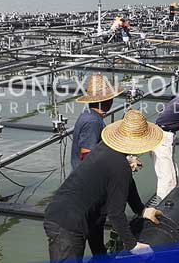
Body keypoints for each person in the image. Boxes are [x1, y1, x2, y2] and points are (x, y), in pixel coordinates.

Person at [44, 110, 164, 262]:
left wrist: (141, 210)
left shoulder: (106, 149)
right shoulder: (119, 165)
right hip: (65, 223)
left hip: (84, 216)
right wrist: (132, 245)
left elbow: (126, 183)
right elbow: (115, 214)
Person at [71, 73, 124, 256]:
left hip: (83, 184)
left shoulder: (87, 115)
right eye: (110, 99)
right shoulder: (93, 122)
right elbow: (87, 155)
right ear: (104, 101)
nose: (111, 103)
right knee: (93, 233)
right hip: (88, 187)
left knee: (95, 237)